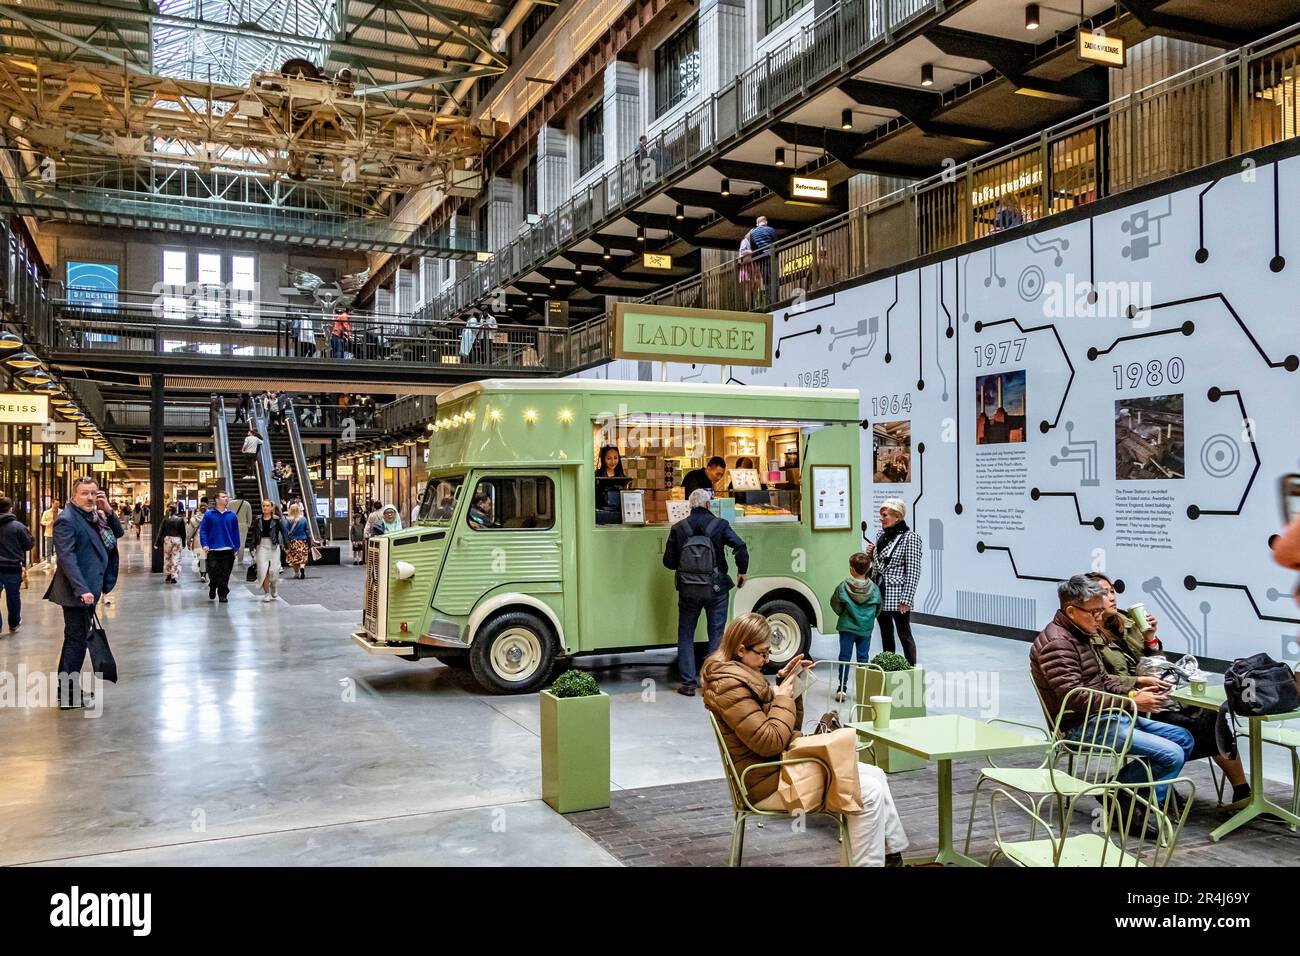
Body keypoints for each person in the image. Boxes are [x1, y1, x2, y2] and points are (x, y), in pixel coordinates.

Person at [701, 613, 909, 866]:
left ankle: (891, 857)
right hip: (766, 783)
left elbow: (786, 729)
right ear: (741, 649)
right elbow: (770, 741)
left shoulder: (741, 678)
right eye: (763, 653)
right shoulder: (730, 687)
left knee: (875, 774)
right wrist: (782, 697)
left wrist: (787, 685)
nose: (766, 661)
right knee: (869, 792)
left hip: (777, 770)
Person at [1085, 571, 1250, 808]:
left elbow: (1156, 665)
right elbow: (1099, 679)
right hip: (1126, 703)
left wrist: (1151, 640)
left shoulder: (1126, 622)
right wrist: (1138, 682)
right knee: (1194, 727)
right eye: (1104, 592)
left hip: (1156, 694)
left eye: (1112, 591)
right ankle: (1145, 784)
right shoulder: (1087, 633)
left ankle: (1241, 790)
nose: (1111, 596)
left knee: (1212, 716)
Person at [1030, 575, 1193, 813]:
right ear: (1072, 611)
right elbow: (1075, 696)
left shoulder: (1079, 634)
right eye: (1094, 612)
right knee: (1172, 754)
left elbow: (1102, 680)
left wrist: (1137, 682)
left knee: (1184, 738)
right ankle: (1145, 807)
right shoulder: (1057, 643)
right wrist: (1132, 700)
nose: (1099, 618)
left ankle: (1121, 794)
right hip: (1080, 727)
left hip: (1107, 717)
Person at [44, 477, 123, 709]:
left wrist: (107, 509)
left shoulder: (94, 516)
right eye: (84, 493)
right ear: (73, 496)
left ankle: (66, 689)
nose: (90, 498)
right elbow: (67, 559)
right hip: (77, 592)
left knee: (74, 640)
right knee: (76, 642)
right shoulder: (67, 520)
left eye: (93, 493)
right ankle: (68, 695)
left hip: (90, 588)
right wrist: (82, 590)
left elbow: (116, 534)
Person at [663, 487, 750, 697]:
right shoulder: (720, 525)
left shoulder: (678, 528)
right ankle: (711, 682)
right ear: (709, 505)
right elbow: (740, 546)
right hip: (716, 588)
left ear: (689, 506)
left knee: (685, 634)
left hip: (688, 590)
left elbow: (668, 562)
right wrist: (742, 571)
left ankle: (688, 683)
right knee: (716, 634)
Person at [867, 498, 923, 666]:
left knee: (904, 634)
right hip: (879, 592)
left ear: (897, 517)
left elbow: (913, 570)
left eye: (885, 515)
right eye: (881, 515)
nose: (881, 519)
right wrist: (871, 555)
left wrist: (907, 598)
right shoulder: (880, 536)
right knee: (885, 633)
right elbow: (878, 565)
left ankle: (911, 668)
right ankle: (888, 666)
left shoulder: (910, 538)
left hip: (898, 596)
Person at [830, 552, 881, 701]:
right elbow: (878, 608)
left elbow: (835, 603)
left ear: (851, 568)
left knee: (845, 657)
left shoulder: (843, 586)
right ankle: (863, 689)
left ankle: (842, 688)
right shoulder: (875, 589)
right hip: (865, 629)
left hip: (847, 627)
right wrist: (868, 619)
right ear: (868, 568)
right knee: (863, 658)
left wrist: (843, 614)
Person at [199, 490, 241, 603]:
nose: (226, 499)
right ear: (217, 499)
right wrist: (205, 544)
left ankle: (222, 594)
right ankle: (213, 585)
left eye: (227, 497)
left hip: (228, 550)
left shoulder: (232, 516)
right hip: (213, 550)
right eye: (223, 497)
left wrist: (236, 547)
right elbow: (203, 531)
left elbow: (236, 532)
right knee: (213, 573)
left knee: (225, 574)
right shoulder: (208, 515)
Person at [0, 497, 34, 633]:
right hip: (12, 567)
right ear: (11, 508)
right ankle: (13, 623)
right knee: (13, 596)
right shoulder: (18, 527)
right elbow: (28, 544)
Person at [246, 500, 288, 602]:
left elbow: (284, 532)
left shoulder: (277, 519)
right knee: (263, 570)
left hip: (273, 546)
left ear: (272, 507)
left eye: (267, 506)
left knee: (274, 570)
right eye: (263, 506)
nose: (265, 507)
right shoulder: (257, 519)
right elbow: (254, 534)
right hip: (261, 546)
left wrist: (287, 545)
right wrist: (251, 546)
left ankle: (273, 585)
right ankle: (266, 593)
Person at [153, 504, 187, 584]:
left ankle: (168, 575)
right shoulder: (180, 520)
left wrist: (157, 543)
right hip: (177, 539)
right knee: (176, 557)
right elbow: (183, 532)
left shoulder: (165, 520)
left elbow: (160, 532)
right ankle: (174, 576)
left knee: (167, 557)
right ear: (176, 510)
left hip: (168, 539)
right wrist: (184, 542)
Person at [284, 502, 311, 579]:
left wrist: (285, 542)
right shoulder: (303, 519)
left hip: (292, 542)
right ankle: (302, 567)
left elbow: (286, 531)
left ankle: (296, 573)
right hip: (302, 541)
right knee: (302, 557)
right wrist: (309, 540)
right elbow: (307, 530)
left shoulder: (288, 520)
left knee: (294, 558)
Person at [187, 503, 208, 582]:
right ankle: (204, 573)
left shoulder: (194, 519)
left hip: (198, 541)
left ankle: (203, 574)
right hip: (209, 542)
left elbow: (190, 532)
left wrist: (188, 542)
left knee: (202, 558)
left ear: (199, 509)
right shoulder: (211, 518)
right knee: (205, 558)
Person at [40, 498, 60, 569]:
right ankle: (48, 563)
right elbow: (42, 522)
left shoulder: (61, 512)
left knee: (58, 549)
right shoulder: (46, 512)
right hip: (49, 533)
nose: (57, 505)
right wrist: (49, 523)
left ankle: (58, 563)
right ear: (52, 503)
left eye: (58, 504)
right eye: (55, 504)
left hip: (59, 534)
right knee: (48, 549)